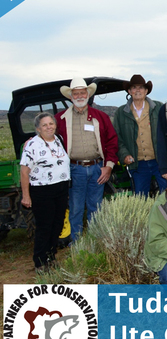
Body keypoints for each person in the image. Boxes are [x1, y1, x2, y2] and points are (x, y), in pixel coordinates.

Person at [55, 77, 118, 241]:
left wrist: (108, 166)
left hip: (98, 168)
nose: (80, 96)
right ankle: (76, 244)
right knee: (75, 208)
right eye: (76, 93)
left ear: (88, 95)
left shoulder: (101, 117)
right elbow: (49, 138)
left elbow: (112, 141)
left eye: (82, 93)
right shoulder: (60, 119)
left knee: (95, 207)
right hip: (74, 170)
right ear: (71, 97)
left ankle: (94, 242)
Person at [20, 113, 70, 271]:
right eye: (44, 125)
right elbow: (24, 172)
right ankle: (40, 262)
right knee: (44, 226)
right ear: (38, 128)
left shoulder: (59, 139)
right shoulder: (32, 145)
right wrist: (26, 196)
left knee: (57, 224)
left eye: (51, 123)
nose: (49, 127)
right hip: (42, 190)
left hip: (61, 188)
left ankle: (51, 256)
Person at [114, 74, 167, 196]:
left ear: (146, 91)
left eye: (141, 87)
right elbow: (117, 138)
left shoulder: (158, 107)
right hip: (138, 163)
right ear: (129, 91)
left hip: (159, 160)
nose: (137, 90)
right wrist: (124, 155)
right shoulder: (121, 113)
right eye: (134, 87)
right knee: (140, 198)